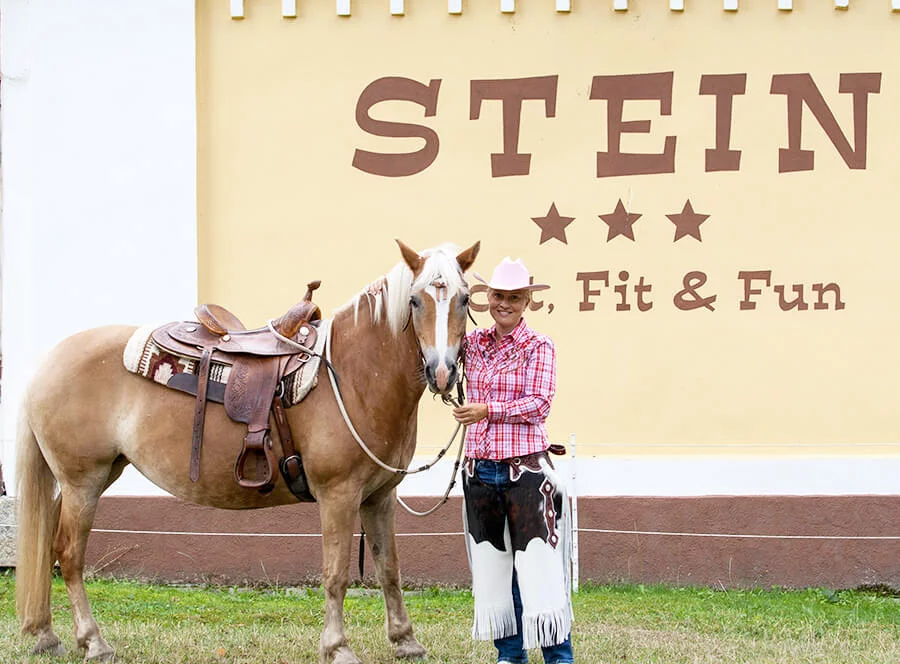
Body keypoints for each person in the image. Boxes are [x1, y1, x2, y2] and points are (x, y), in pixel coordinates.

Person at [453, 257, 574, 664]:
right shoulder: (472, 344)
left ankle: (558, 656)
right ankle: (510, 654)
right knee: (493, 571)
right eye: (498, 295)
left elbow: (539, 404)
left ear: (526, 302)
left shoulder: (539, 346)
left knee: (539, 570)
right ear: (487, 298)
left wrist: (488, 410)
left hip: (526, 471)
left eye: (514, 297)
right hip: (481, 470)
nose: (504, 303)